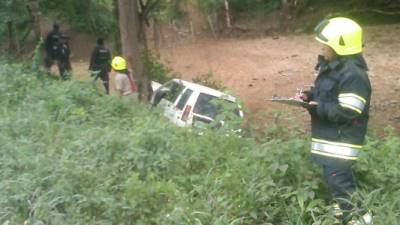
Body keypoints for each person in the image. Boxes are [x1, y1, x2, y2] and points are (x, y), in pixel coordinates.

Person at [301, 17, 372, 225]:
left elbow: (349, 110)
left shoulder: (354, 75)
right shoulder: (334, 67)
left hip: (342, 142)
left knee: (340, 183)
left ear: (341, 45)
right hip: (330, 140)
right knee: (334, 184)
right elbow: (328, 95)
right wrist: (310, 96)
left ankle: (361, 220)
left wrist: (317, 107)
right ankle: (341, 217)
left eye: (326, 44)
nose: (322, 48)